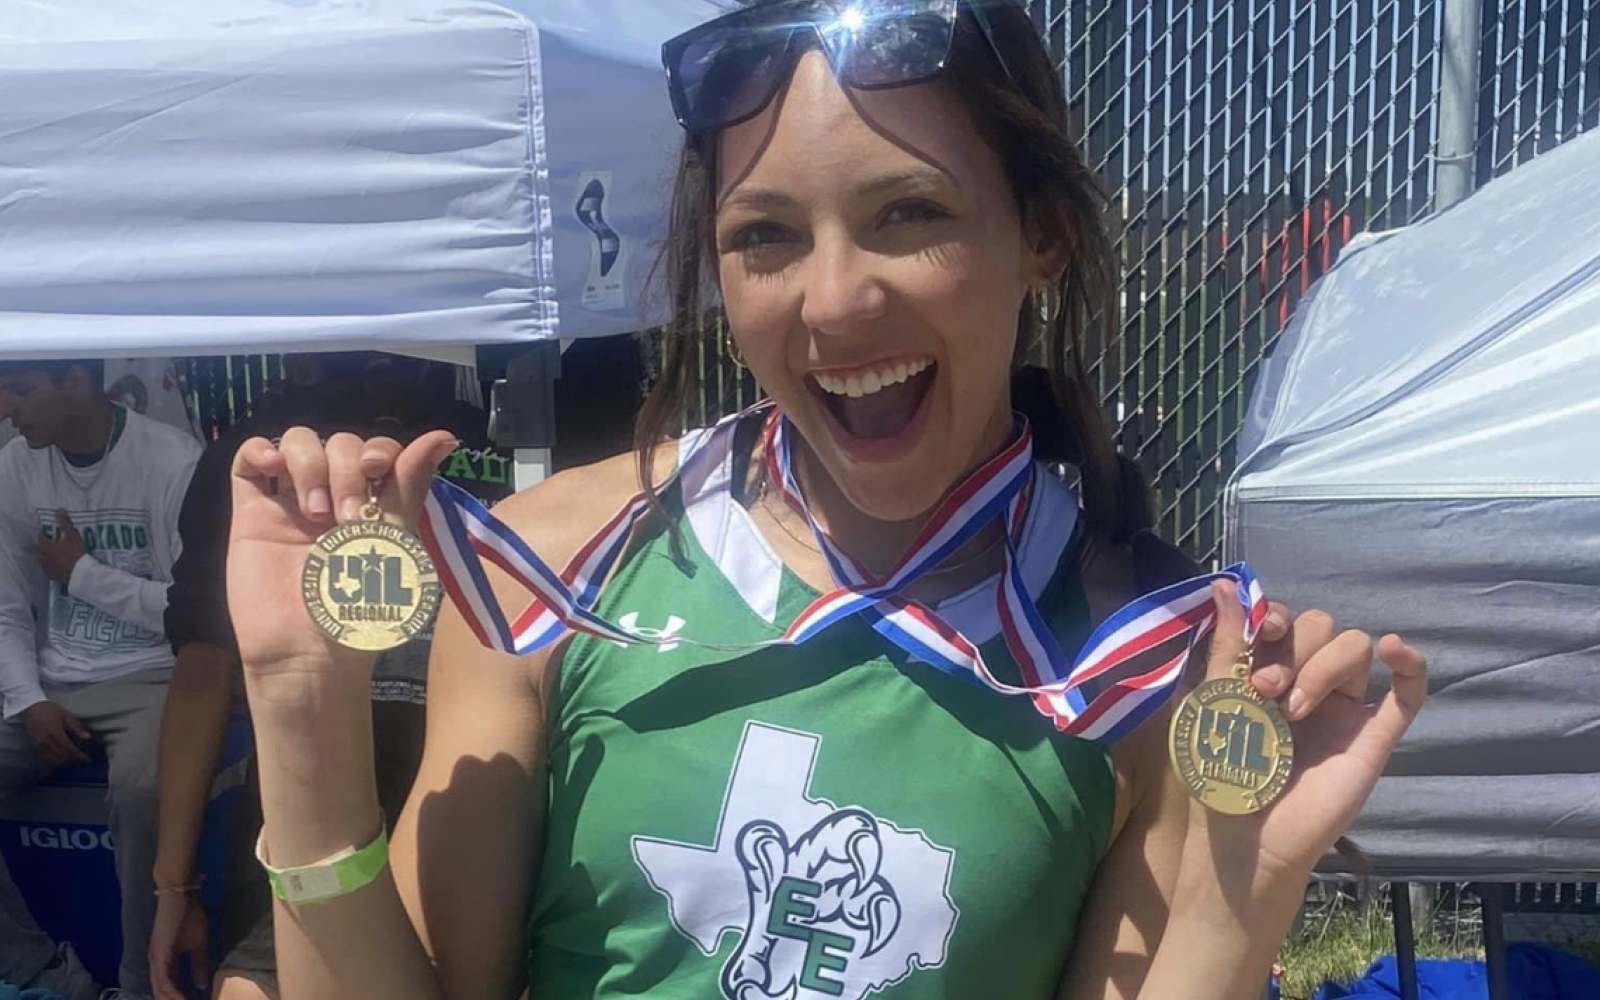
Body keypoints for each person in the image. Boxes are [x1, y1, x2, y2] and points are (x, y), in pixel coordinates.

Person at [220, 3, 1430, 999]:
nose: (836, 301)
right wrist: (296, 708)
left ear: (1043, 236)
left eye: (911, 214)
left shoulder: (1143, 659)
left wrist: (1242, 896)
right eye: (767, 237)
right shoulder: (553, 570)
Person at [147, 352, 497, 1000]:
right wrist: (174, 883)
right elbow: (206, 663)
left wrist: (174, 886)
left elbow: (202, 669)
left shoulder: (519, 429)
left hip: (487, 820)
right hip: (302, 837)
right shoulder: (260, 464)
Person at [0, 358, 201, 1000]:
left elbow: (189, 611)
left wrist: (83, 576)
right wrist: (28, 698)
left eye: (22, 391)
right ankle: (40, 972)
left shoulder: (170, 458)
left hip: (154, 678)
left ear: (76, 383)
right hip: (56, 684)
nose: (9, 408)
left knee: (143, 794)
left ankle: (142, 987)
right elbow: (6, 605)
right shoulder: (14, 465)